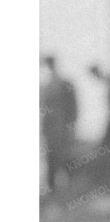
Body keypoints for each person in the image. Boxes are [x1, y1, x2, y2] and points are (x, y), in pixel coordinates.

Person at [40, 54, 80, 205]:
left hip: (63, 128)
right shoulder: (46, 85)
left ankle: (70, 188)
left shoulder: (64, 84)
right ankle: (53, 191)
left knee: (66, 157)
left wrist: (71, 125)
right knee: (51, 159)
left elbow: (73, 107)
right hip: (51, 129)